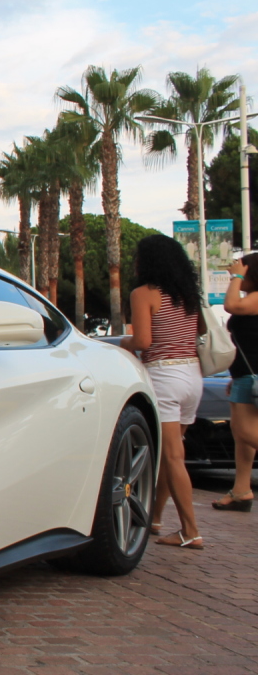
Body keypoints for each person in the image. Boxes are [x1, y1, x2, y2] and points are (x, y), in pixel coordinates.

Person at [121, 235, 204, 550]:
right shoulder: (187, 296)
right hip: (192, 375)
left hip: (165, 375)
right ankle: (155, 518)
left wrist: (119, 343)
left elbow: (142, 341)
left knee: (172, 456)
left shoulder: (143, 294)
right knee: (175, 455)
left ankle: (191, 531)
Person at [212, 252, 258, 511]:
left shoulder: (256, 299)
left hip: (252, 376)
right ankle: (241, 490)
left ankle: (241, 490)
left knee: (245, 431)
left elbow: (231, 306)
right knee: (241, 437)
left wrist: (236, 276)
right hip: (243, 375)